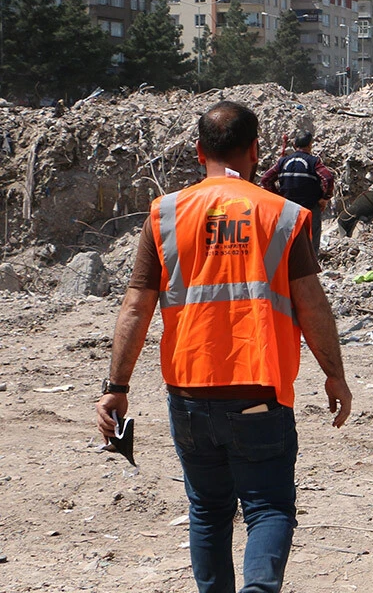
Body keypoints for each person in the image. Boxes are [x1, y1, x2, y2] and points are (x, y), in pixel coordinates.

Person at [95, 101, 353, 593]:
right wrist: (334, 373)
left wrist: (116, 387)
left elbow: (134, 309)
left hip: (190, 393)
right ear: (256, 152)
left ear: (198, 151)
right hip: (260, 387)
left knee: (209, 511)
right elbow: (313, 307)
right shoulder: (280, 215)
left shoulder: (166, 214)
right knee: (269, 508)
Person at [259, 130, 335, 258]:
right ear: (310, 145)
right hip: (309, 207)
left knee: (288, 241)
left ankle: (287, 269)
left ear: (295, 145)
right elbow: (328, 178)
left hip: (287, 207)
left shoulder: (282, 162)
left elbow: (265, 179)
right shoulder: (313, 161)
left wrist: (278, 196)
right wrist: (324, 198)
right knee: (311, 240)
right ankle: (310, 269)